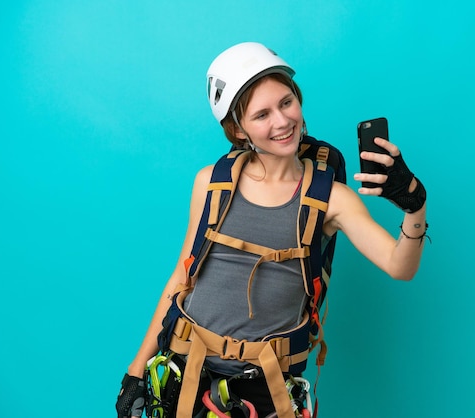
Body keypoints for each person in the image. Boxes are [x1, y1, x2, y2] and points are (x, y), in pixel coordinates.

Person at [116, 42, 428, 418]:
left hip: (264, 388)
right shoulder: (211, 183)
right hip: (185, 370)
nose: (281, 122)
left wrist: (414, 205)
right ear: (237, 129)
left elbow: (400, 267)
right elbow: (182, 278)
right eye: (261, 114)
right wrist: (135, 372)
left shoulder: (331, 197)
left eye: (286, 103)